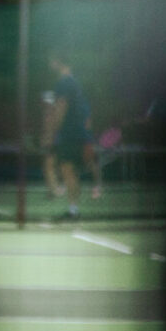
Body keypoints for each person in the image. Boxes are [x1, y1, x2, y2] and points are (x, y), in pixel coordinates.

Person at [44, 52, 99, 221]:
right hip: (76, 133)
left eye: (51, 59)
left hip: (69, 134)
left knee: (67, 171)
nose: (50, 62)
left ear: (57, 61)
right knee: (70, 171)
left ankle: (74, 210)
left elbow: (61, 107)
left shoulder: (64, 82)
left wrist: (53, 133)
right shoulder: (73, 82)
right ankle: (73, 209)